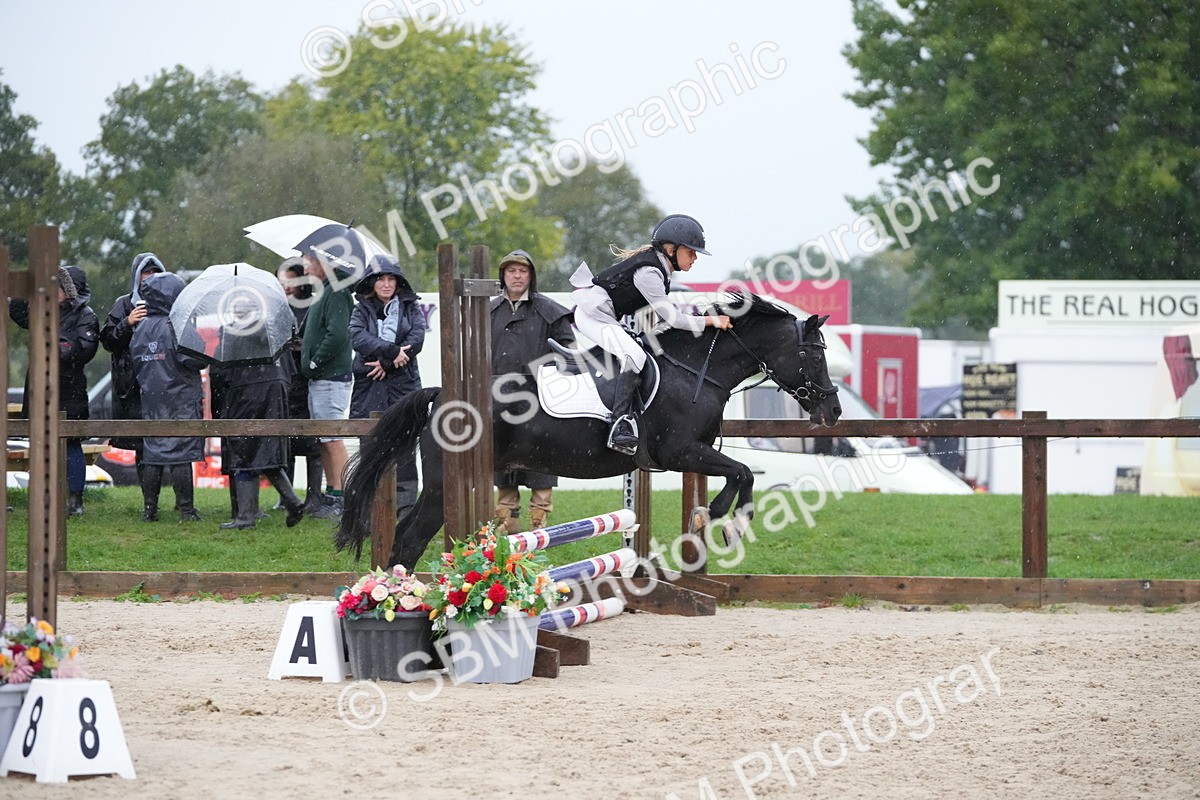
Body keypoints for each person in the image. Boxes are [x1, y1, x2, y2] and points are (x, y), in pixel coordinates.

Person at [570, 214, 732, 454]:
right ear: (670, 249)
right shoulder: (649, 273)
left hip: (605, 317)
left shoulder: (659, 268)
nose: (695, 258)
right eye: (691, 252)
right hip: (591, 317)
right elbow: (673, 318)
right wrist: (711, 320)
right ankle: (619, 424)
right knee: (635, 356)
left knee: (641, 351)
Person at [489, 249, 573, 533]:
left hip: (539, 403)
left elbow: (568, 353)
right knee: (503, 466)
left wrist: (544, 376)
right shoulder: (487, 312)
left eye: (522, 271)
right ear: (503, 275)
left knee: (541, 465)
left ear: (531, 276)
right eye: (511, 270)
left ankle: (539, 529)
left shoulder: (550, 312)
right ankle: (506, 527)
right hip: (498, 402)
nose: (516, 276)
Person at [8, 265, 100, 516]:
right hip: (39, 387)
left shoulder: (86, 315)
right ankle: (45, 499)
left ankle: (74, 501)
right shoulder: (42, 310)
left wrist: (54, 348)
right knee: (41, 445)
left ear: (69, 290)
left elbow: (85, 349)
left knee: (70, 445)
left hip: (69, 390)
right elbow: (17, 312)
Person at [209, 293, 306, 530]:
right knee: (266, 449)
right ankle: (292, 501)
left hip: (246, 391)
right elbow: (292, 369)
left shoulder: (233, 331)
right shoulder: (278, 327)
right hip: (277, 388)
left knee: (242, 449)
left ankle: (245, 517)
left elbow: (220, 373)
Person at [348, 255, 425, 520]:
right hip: (370, 388)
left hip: (404, 387)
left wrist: (388, 364)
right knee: (371, 448)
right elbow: (358, 338)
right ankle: (368, 513)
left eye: (391, 278)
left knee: (404, 447)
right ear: (372, 281)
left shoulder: (410, 306)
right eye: (381, 278)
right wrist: (392, 352)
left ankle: (406, 512)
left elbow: (417, 340)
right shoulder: (361, 309)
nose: (386, 284)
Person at [130, 272, 205, 522]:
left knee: (154, 453)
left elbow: (135, 362)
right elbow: (193, 359)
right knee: (181, 453)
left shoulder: (140, 328)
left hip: (152, 398)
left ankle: (149, 510)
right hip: (180, 398)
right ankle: (186, 510)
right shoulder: (178, 325)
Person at [99, 252, 167, 484]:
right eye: (146, 272)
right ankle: (149, 505)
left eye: (155, 272)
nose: (150, 277)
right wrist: (127, 323)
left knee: (172, 441)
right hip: (133, 386)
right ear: (137, 276)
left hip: (163, 383)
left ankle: (183, 504)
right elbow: (108, 341)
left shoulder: (170, 302)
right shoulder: (124, 304)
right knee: (141, 444)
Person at [299, 250, 355, 511]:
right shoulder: (324, 290)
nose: (304, 267)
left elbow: (337, 333)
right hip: (321, 378)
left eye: (307, 261)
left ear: (322, 263)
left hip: (330, 377)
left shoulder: (336, 291)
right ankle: (333, 493)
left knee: (333, 438)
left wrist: (314, 360)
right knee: (324, 438)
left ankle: (345, 497)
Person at [278, 258, 333, 518]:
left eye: (291, 280)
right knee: (284, 439)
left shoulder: (313, 306)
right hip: (284, 381)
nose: (286, 286)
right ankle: (286, 497)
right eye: (282, 281)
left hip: (306, 380)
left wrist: (304, 348)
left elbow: (322, 337)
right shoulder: (277, 309)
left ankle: (314, 495)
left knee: (311, 442)